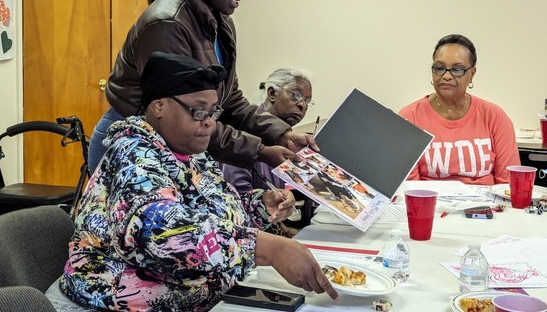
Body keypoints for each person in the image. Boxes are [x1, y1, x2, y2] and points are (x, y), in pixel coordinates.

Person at [47, 52, 338, 311]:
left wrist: (260, 206)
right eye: (199, 111)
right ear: (159, 106)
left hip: (197, 296)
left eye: (213, 112)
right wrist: (267, 248)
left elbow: (216, 214)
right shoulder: (133, 154)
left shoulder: (192, 154)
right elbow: (161, 233)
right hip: (116, 300)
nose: (209, 122)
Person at [87, 0, 317, 174]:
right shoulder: (167, 24)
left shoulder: (219, 20)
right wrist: (259, 151)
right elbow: (184, 117)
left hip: (173, 145)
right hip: (134, 147)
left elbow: (230, 102)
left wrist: (282, 134)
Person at [399, 34, 520, 185]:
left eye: (457, 70)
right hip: (430, 205)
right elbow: (409, 187)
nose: (447, 76)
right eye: (439, 68)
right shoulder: (410, 117)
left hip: (485, 207)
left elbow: (508, 184)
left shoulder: (494, 116)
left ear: (472, 74)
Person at [222, 67, 314, 194]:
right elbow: (236, 194)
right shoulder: (243, 131)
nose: (302, 105)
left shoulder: (286, 139)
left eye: (307, 101)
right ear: (272, 93)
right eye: (296, 95)